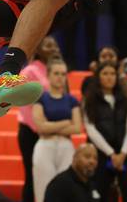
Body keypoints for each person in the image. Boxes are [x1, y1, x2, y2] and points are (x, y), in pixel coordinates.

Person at [82, 62, 127, 201]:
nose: (109, 77)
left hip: (122, 155)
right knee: (100, 194)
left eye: (112, 74)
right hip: (100, 154)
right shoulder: (89, 99)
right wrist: (110, 153)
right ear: (98, 77)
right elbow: (90, 128)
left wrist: (122, 153)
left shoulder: (124, 99)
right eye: (105, 74)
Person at [32, 58, 82, 202]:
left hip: (66, 147)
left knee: (65, 191)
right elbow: (40, 127)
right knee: (43, 190)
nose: (60, 77)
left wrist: (51, 127)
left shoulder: (72, 100)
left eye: (63, 74)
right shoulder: (40, 98)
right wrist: (66, 123)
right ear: (48, 75)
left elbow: (77, 128)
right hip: (45, 146)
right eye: (56, 73)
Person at [18, 36, 60, 202]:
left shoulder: (57, 71)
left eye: (55, 45)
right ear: (38, 49)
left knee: (53, 177)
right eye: (48, 45)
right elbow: (26, 105)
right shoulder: (29, 72)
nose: (53, 48)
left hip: (52, 131)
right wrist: (41, 127)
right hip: (31, 131)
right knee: (32, 175)